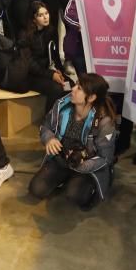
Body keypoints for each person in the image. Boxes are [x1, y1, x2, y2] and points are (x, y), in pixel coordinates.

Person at [29, 73, 117, 210]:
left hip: (87, 168)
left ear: (92, 97)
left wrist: (80, 166)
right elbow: (45, 126)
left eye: (79, 88)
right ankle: (65, 178)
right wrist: (49, 138)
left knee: (75, 196)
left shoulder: (104, 121)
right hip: (61, 159)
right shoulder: (61, 105)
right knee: (36, 189)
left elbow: (106, 158)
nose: (73, 89)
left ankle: (89, 186)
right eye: (75, 84)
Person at [18, 1, 69, 112]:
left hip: (45, 71)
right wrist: (51, 75)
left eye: (46, 13)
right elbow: (29, 64)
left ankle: (64, 119)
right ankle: (48, 121)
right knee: (56, 89)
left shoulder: (51, 31)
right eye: (40, 15)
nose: (45, 17)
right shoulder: (24, 35)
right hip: (28, 75)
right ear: (33, 19)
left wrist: (60, 71)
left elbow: (55, 55)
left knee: (70, 85)